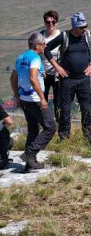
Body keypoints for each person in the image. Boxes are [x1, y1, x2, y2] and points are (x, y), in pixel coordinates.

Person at [45, 12, 91, 142]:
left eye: (85, 26)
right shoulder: (64, 36)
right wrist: (57, 67)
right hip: (67, 80)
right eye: (81, 27)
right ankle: (64, 138)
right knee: (65, 109)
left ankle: (88, 136)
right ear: (74, 27)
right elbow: (46, 49)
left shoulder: (88, 35)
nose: (84, 29)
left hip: (83, 79)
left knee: (86, 108)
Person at [11, 33, 56, 172]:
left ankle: (29, 164)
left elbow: (13, 78)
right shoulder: (35, 58)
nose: (45, 46)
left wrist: (17, 96)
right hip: (35, 100)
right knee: (50, 127)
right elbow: (32, 78)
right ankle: (30, 153)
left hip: (24, 99)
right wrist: (42, 98)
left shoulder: (20, 57)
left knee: (33, 129)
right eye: (43, 44)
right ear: (36, 45)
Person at [40, 10, 62, 118]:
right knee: (43, 100)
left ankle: (59, 124)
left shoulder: (61, 36)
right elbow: (34, 55)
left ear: (57, 22)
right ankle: (45, 124)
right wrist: (40, 69)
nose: (50, 24)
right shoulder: (40, 37)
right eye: (48, 22)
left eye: (53, 22)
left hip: (57, 74)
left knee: (58, 100)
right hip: (43, 73)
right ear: (44, 22)